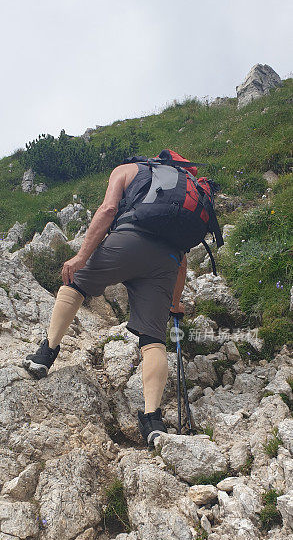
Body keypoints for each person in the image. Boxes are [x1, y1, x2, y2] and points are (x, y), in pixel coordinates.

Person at [22, 158, 187, 448]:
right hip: (166, 261)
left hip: (128, 243)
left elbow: (109, 209)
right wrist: (174, 304)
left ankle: (45, 354)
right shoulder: (183, 192)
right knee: (153, 340)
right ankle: (153, 420)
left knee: (75, 283)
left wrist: (81, 257)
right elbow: (182, 261)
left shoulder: (127, 170)